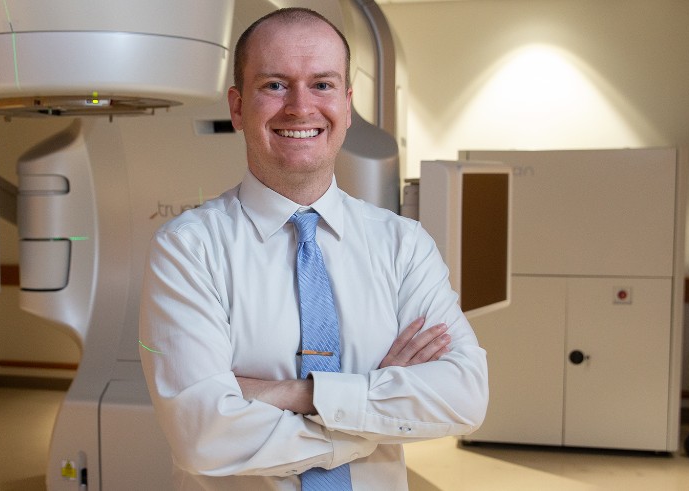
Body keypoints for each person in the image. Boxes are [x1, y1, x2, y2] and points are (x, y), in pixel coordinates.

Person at [139, 7, 488, 490]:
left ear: (347, 105)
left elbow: (464, 397)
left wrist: (298, 393)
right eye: (275, 85)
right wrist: (372, 417)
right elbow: (203, 436)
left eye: (322, 84)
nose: (300, 107)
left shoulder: (403, 245)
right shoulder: (187, 250)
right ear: (237, 107)